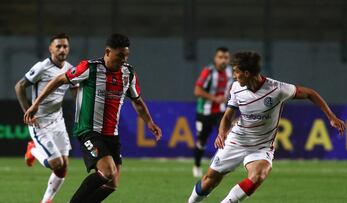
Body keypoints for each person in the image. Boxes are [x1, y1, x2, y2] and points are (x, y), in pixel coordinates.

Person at [188, 51, 345, 203]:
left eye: (236, 72)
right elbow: (228, 116)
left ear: (247, 73)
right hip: (237, 140)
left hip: (262, 146)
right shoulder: (236, 87)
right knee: (210, 181)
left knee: (258, 175)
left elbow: (310, 93)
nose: (234, 76)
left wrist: (331, 116)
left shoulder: (277, 89)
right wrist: (222, 133)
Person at [24, 33, 162, 203]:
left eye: (126, 57)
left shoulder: (128, 73)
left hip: (112, 133)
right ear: (107, 52)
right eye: (119, 57)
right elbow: (59, 79)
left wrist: (149, 122)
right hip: (88, 131)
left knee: (112, 184)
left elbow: (137, 101)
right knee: (108, 171)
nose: (123, 61)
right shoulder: (90, 68)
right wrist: (36, 103)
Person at [14, 33, 76, 203]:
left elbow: (75, 90)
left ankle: (46, 201)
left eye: (65, 46)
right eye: (58, 46)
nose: (62, 49)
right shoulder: (42, 67)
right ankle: (32, 149)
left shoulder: (70, 69)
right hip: (39, 122)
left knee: (63, 167)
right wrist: (27, 111)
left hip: (58, 121)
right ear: (51, 49)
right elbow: (19, 86)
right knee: (56, 163)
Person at [193, 47, 233, 177]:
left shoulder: (231, 73)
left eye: (226, 58)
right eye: (220, 57)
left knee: (226, 138)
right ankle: (197, 165)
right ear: (215, 59)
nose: (223, 60)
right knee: (202, 140)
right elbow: (197, 91)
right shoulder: (208, 72)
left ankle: (219, 166)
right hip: (205, 112)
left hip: (221, 112)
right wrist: (214, 98)